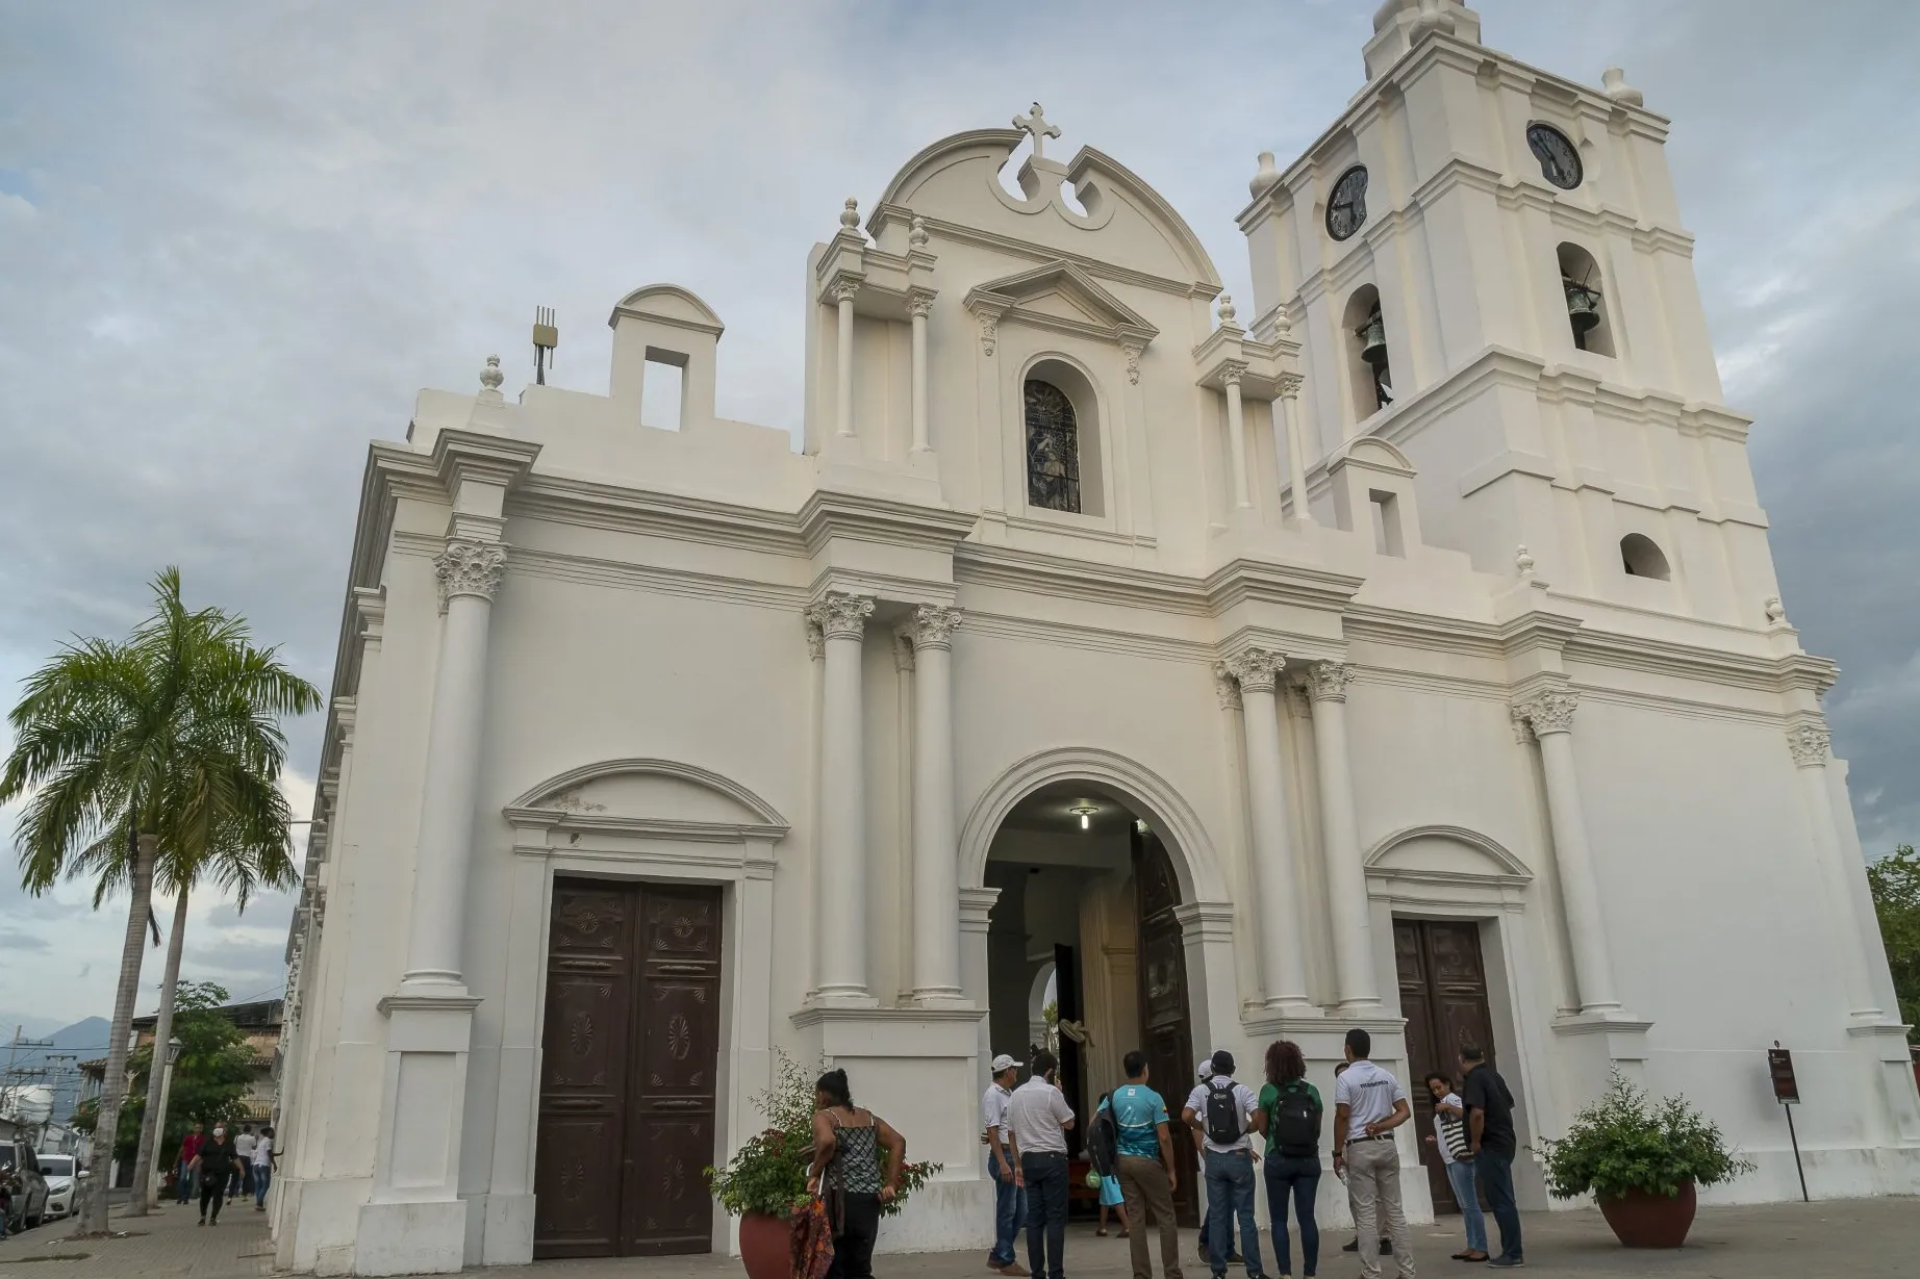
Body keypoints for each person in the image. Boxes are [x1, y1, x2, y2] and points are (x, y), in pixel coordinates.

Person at [806, 1069, 906, 1279]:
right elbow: (898, 1142)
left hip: (839, 1201)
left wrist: (814, 1174)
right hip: (869, 1202)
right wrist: (890, 1184)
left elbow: (826, 1141)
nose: (817, 1100)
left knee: (834, 1266)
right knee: (860, 1268)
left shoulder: (825, 1117)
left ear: (824, 1094)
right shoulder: (868, 1118)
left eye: (817, 1095)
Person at [1332, 1029, 1413, 1279]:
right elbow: (1404, 1111)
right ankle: (1407, 1272)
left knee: (1366, 1212)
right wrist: (1382, 1125)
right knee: (1395, 1210)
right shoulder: (1385, 1075)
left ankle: (1371, 1273)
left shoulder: (1345, 1079)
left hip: (1360, 1146)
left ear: (1348, 1049)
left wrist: (1337, 1152)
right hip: (1387, 1146)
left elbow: (1343, 1115)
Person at [1182, 1050, 1267, 1279]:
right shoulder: (1242, 1090)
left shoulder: (1201, 1091)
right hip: (1239, 1156)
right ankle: (1255, 1272)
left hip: (1215, 1159)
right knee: (1246, 1216)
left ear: (1213, 1070)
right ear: (1232, 1069)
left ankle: (1218, 1271)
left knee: (1218, 1216)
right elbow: (1258, 1119)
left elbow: (1186, 1115)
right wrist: (1245, 1129)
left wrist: (1203, 1128)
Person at [1104, 1051, 1183, 1279]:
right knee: (1165, 1216)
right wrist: (1171, 1169)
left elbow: (1096, 1122)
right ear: (1145, 1069)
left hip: (1123, 1161)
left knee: (1136, 1218)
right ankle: (1172, 1272)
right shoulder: (1153, 1098)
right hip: (1148, 1162)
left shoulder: (1115, 1096)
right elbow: (1164, 1137)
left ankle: (1141, 1274)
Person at [1007, 1048, 1075, 1279]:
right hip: (1053, 1160)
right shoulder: (1051, 1093)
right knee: (1055, 1218)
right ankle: (1056, 1273)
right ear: (1050, 1072)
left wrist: (1017, 1163)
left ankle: (1037, 1272)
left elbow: (1012, 1134)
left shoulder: (1015, 1095)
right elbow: (1069, 1123)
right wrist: (1059, 1092)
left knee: (1034, 1219)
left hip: (1028, 1161)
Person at [1258, 1041, 1322, 1279]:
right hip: (1308, 1159)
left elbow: (1263, 1129)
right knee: (1307, 1218)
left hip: (1278, 1158)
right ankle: (1310, 1273)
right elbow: (1317, 1128)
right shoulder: (1311, 1091)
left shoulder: (1268, 1091)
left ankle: (1285, 1273)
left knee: (1278, 1219)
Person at [1458, 1044, 1521, 1269]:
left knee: (1501, 1200)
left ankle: (1512, 1254)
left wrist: (1475, 1142)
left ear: (1462, 1059)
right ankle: (1512, 1251)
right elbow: (1508, 1104)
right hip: (1505, 1141)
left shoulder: (1474, 1079)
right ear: (1482, 1056)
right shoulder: (1494, 1075)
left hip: (1491, 1145)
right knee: (1505, 1198)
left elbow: (1477, 1113)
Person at [1421, 1074, 1486, 1263]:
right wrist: (1436, 1140)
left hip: (1459, 1157)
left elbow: (1467, 1114)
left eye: (1439, 1087)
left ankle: (1480, 1246)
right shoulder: (1443, 1102)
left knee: (1470, 1204)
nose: (1437, 1091)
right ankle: (1472, 1244)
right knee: (1464, 1205)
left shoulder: (1452, 1099)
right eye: (1433, 1089)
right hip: (1450, 1158)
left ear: (1447, 1084)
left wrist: (1448, 1106)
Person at [1334, 1063, 1389, 1260]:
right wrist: (1339, 1151)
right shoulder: (1343, 1096)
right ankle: (1362, 1235)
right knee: (1354, 1195)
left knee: (1378, 1197)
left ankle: (1384, 1237)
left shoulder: (1365, 1091)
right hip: (1350, 1145)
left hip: (1366, 1143)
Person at [983, 1054, 1029, 1275]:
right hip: (1005, 1157)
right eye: (1014, 1069)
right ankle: (1006, 1258)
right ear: (1007, 1072)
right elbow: (992, 1129)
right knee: (1008, 1210)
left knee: (1021, 1210)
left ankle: (1000, 1253)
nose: (1016, 1074)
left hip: (1012, 1155)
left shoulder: (1006, 1094)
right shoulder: (993, 1095)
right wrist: (1002, 1162)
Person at [191, 1123, 240, 1226]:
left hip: (222, 1173)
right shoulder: (208, 1142)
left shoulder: (229, 1144)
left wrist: (242, 1169)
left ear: (224, 1131)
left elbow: (235, 1157)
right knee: (205, 1195)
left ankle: (213, 1217)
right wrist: (191, 1165)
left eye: (220, 1127)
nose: (217, 1129)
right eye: (216, 1127)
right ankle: (203, 1217)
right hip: (207, 1173)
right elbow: (199, 1155)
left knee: (218, 1195)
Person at [176, 1121, 204, 1206]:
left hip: (196, 1160)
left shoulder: (202, 1139)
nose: (197, 1129)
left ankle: (186, 1198)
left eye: (199, 1127)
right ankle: (181, 1195)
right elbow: (182, 1148)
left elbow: (203, 1151)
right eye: (196, 1127)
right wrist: (176, 1160)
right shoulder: (188, 1138)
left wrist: (201, 1161)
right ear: (193, 1128)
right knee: (182, 1178)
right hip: (186, 1159)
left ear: (201, 1129)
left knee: (191, 1179)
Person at [252, 1125, 276, 1210]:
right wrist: (275, 1164)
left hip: (256, 1165)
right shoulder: (268, 1141)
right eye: (272, 1131)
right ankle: (259, 1203)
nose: (274, 1133)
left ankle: (259, 1204)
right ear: (268, 1133)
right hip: (264, 1165)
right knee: (265, 1185)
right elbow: (269, 1154)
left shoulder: (261, 1142)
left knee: (258, 1185)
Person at [232, 1124, 256, 1199]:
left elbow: (234, 1145)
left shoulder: (237, 1137)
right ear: (250, 1130)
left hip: (237, 1157)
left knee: (235, 1175)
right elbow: (254, 1147)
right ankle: (244, 1192)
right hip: (246, 1157)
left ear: (243, 1130)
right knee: (246, 1176)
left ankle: (233, 1191)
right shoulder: (252, 1138)